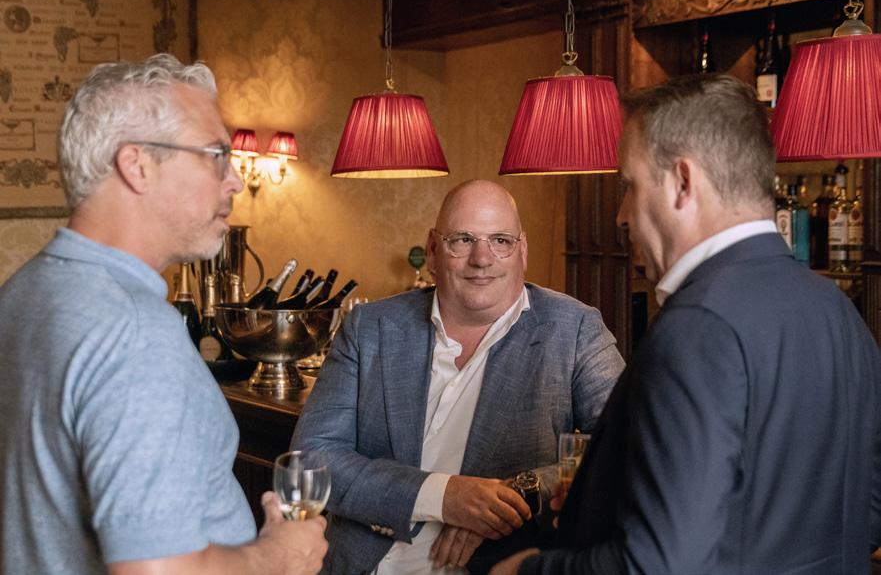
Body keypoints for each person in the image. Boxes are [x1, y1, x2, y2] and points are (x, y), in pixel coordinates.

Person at [492, 73, 881, 575]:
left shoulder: (696, 328)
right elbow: (866, 511)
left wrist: (527, 570)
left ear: (683, 182)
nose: (621, 215)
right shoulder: (837, 309)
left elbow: (658, 564)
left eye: (629, 186)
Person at [0, 54, 327, 575]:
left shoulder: (21, 291)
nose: (234, 181)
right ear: (137, 166)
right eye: (216, 155)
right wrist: (280, 556)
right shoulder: (135, 331)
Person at [291, 178, 625, 574]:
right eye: (463, 240)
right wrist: (444, 496)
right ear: (433, 250)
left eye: (500, 241)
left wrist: (517, 495)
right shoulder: (370, 327)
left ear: (522, 251)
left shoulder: (575, 330)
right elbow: (311, 458)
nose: (481, 259)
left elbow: (626, 447)